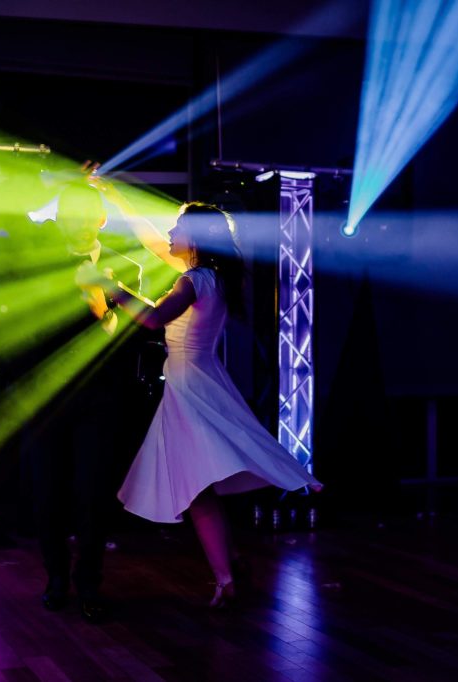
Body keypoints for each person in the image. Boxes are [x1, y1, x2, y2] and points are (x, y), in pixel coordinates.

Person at [86, 192, 323, 607]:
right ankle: (229, 568)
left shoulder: (194, 280)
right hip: (195, 379)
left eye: (178, 228)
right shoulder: (211, 276)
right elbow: (151, 239)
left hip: (191, 386)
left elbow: (155, 319)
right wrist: (116, 196)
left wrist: (115, 289)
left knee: (196, 487)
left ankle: (227, 579)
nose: (170, 233)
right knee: (197, 486)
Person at [0, 178, 150, 622]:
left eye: (87, 216)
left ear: (101, 219)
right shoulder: (36, 264)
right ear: (59, 220)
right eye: (70, 217)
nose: (78, 225)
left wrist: (106, 301)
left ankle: (89, 581)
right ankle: (56, 577)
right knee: (47, 494)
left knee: (94, 493)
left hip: (100, 395)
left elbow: (132, 336)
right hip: (46, 396)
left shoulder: (125, 266)